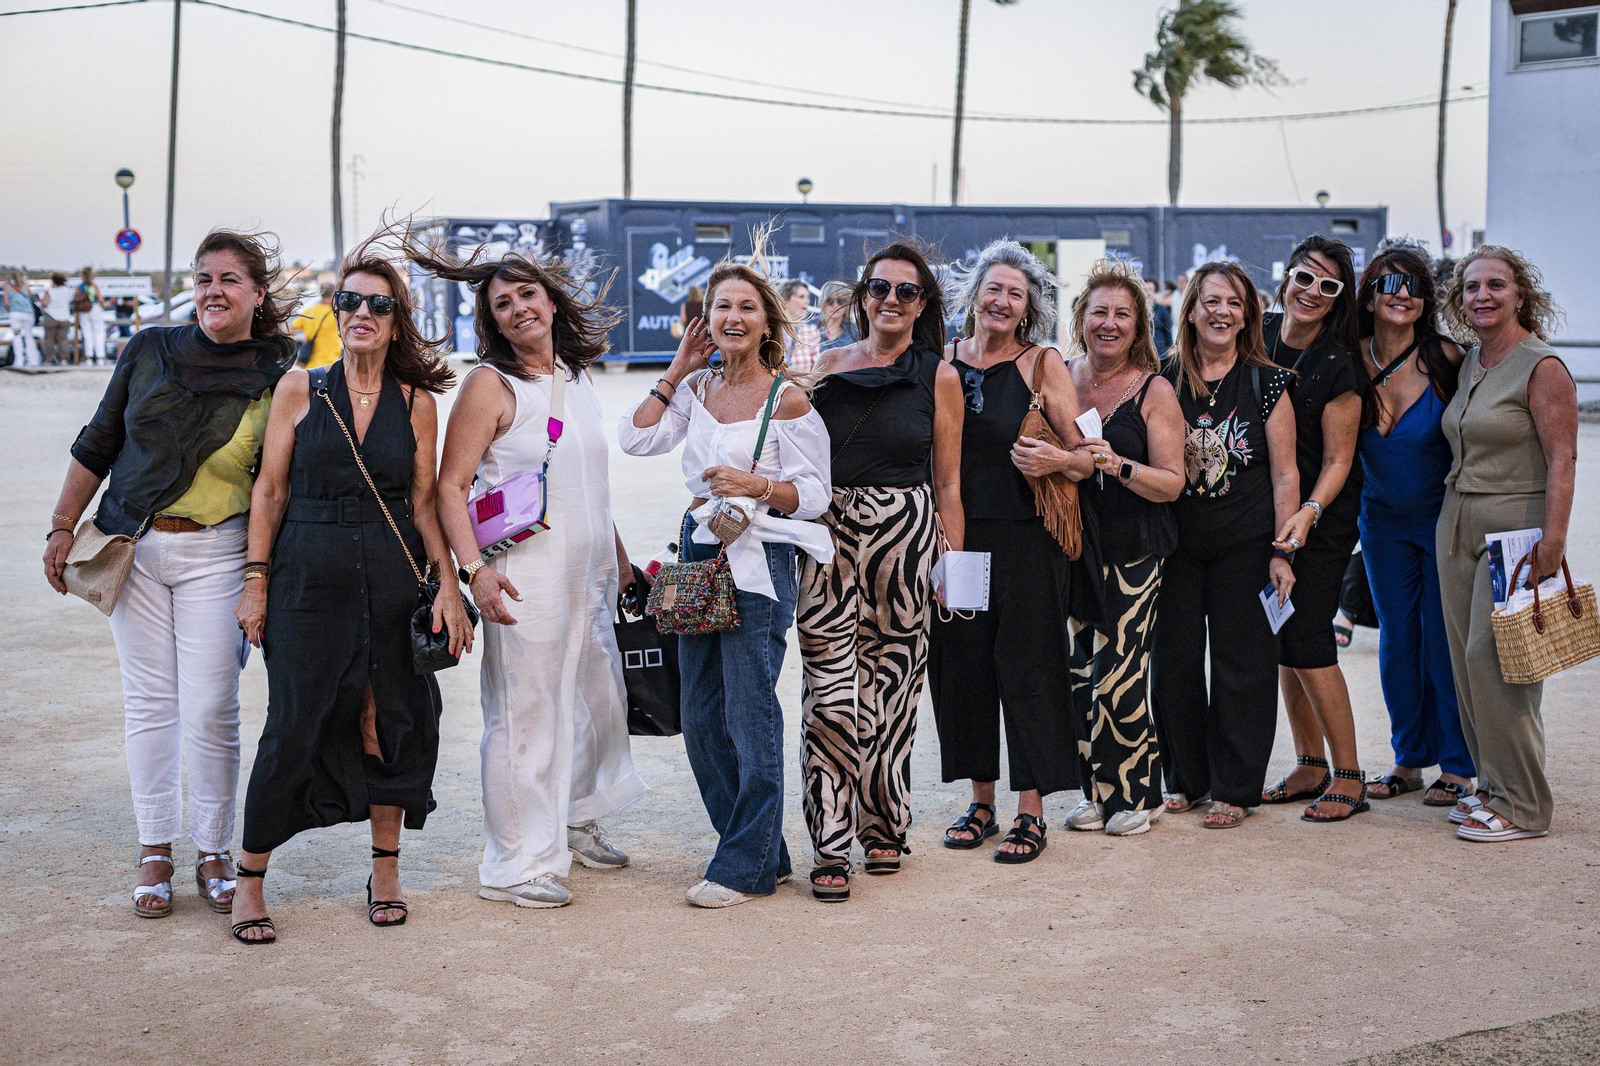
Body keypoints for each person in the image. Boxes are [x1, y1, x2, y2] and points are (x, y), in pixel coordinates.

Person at [42, 229, 296, 924]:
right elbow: (100, 441)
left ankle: (212, 851)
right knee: (149, 704)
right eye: (204, 277)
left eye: (229, 279)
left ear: (257, 293)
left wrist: (266, 574)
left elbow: (283, 481)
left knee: (213, 709)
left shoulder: (282, 371)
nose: (213, 290)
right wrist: (63, 524)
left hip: (222, 553)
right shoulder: (148, 350)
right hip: (136, 548)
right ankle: (155, 846)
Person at [229, 237, 468, 943]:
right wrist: (256, 584)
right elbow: (269, 492)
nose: (362, 312)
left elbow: (424, 506)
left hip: (393, 585)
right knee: (294, 723)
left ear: (396, 319)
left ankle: (386, 872)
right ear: (336, 311)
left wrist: (449, 587)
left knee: (391, 718)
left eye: (378, 303)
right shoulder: (302, 387)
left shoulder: (416, 402)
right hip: (308, 578)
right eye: (351, 300)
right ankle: (250, 879)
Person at [418, 246, 649, 910]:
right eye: (502, 303)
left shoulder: (573, 375)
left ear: (550, 300)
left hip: (590, 575)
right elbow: (449, 487)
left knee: (594, 702)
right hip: (524, 576)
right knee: (524, 717)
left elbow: (583, 482)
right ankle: (516, 863)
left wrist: (621, 556)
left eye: (526, 295)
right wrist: (476, 574)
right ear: (492, 321)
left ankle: (574, 819)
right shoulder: (489, 384)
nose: (519, 308)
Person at [619, 248, 833, 908]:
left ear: (769, 323)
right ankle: (760, 850)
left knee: (749, 712)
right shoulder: (698, 389)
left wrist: (758, 483)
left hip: (759, 559)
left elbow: (818, 493)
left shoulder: (788, 399)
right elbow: (635, 440)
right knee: (700, 715)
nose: (733, 317)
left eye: (746, 307)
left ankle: (743, 866)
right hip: (696, 553)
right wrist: (678, 368)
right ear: (704, 320)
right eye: (721, 307)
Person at [799, 243, 965, 901]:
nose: (891, 301)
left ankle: (884, 827)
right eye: (879, 288)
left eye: (906, 291)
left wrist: (955, 559)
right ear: (862, 296)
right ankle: (831, 842)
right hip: (829, 539)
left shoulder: (939, 375)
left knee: (893, 692)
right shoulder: (827, 369)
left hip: (909, 537)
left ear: (923, 304)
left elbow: (948, 478)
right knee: (830, 691)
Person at [931, 239, 1093, 864]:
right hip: (956, 538)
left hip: (1028, 541)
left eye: (1015, 295)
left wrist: (1058, 458)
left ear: (1028, 309)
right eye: (992, 289)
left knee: (1029, 672)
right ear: (973, 295)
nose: (1001, 301)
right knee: (965, 671)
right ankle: (980, 803)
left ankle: (1031, 811)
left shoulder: (1042, 362)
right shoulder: (940, 360)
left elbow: (1084, 456)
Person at [1151, 261, 1298, 829]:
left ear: (1248, 316)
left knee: (1244, 665)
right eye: (1210, 301)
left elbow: (1286, 476)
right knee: (1174, 665)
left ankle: (1235, 788)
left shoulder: (1268, 382)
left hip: (1247, 545)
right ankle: (1185, 780)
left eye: (1234, 303)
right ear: (1189, 310)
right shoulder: (1162, 379)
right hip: (1176, 547)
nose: (1221, 312)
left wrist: (1283, 551)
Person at [1437, 246, 1575, 843]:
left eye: (1496, 285)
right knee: (1466, 667)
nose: (1482, 296)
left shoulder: (1541, 366)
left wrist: (1553, 540)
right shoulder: (1472, 362)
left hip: (1513, 528)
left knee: (1499, 664)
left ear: (1522, 294)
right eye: (1471, 287)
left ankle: (1524, 806)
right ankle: (1492, 788)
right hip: (1456, 518)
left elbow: (1563, 458)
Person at [1063, 263, 1184, 837]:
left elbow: (1172, 483)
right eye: (1099, 313)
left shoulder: (1154, 390)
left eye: (1122, 315)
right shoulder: (1061, 377)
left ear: (1139, 328)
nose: (1109, 324)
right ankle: (1096, 791)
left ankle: (1137, 792)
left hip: (1135, 550)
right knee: (1080, 673)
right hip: (1074, 550)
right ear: (1081, 319)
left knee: (1121, 673)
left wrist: (1118, 463)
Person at [1352, 245, 1473, 807]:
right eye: (1390, 282)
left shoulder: (1445, 356)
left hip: (1442, 522)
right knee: (1398, 642)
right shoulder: (1349, 360)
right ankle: (1408, 759)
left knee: (1441, 642)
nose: (1403, 293)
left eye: (1414, 285)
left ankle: (1457, 765)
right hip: (1379, 524)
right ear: (1371, 294)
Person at [1259, 236, 1373, 822]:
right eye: (1306, 278)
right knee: (1281, 639)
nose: (1313, 292)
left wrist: (1309, 512)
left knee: (1306, 637)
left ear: (1338, 300)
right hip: (1266, 511)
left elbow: (1338, 461)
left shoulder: (1339, 365)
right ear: (1288, 277)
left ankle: (1349, 773)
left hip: (1321, 518)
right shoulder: (1258, 333)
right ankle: (1309, 763)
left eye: (1328, 287)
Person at [291, 283, 342, 368]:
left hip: (309, 367)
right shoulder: (335, 314)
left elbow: (291, 329)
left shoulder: (308, 312)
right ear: (333, 295)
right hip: (329, 364)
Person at [783, 278, 821, 371]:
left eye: (807, 297)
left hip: (802, 384)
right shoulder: (770, 330)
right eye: (801, 297)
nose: (807, 301)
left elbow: (816, 370)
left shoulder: (811, 331)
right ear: (785, 301)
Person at [6, 271, 41, 367]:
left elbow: (6, 303)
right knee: (29, 337)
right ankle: (33, 361)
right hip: (28, 314)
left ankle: (19, 361)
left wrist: (11, 309)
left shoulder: (8, 287)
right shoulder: (25, 286)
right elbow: (31, 297)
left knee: (17, 337)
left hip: (15, 314)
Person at [40, 272, 74, 365]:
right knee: (63, 340)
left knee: (49, 340)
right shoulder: (67, 290)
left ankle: (49, 360)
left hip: (51, 316)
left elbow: (44, 303)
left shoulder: (50, 290)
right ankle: (64, 359)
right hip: (64, 317)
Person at [817, 279, 858, 353]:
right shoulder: (809, 328)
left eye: (840, 301)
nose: (835, 306)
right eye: (830, 301)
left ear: (847, 305)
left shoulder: (855, 333)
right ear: (822, 302)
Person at [76, 267, 107, 365]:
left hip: (83, 311)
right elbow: (101, 300)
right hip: (95, 309)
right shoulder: (94, 286)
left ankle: (88, 357)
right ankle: (100, 357)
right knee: (98, 333)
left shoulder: (80, 287)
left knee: (86, 334)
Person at [1145, 276, 1174, 359]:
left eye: (1150, 289)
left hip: (1160, 357)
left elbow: (1169, 336)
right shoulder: (1135, 311)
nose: (1147, 292)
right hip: (1141, 357)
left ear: (1155, 292)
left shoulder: (1162, 311)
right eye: (1144, 289)